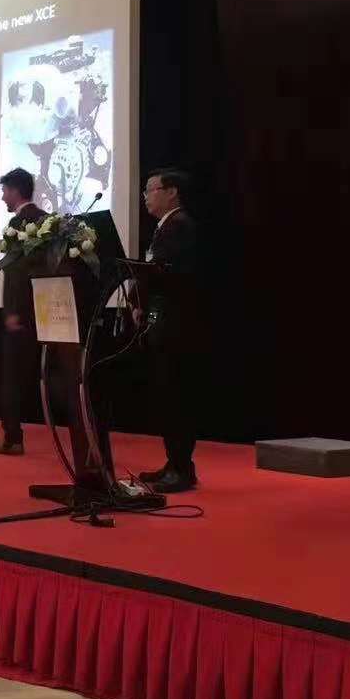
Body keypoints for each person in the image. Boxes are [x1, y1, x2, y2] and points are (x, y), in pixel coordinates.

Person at [135, 168, 202, 493]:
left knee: (176, 395)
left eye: (151, 189)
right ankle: (174, 463)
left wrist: (143, 279)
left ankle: (181, 468)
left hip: (177, 324)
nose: (146, 196)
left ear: (171, 192)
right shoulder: (166, 227)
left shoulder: (181, 226)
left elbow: (172, 275)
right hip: (164, 321)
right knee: (166, 395)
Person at [0, 167, 47, 455]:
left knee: (11, 377)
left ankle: (12, 438)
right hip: (45, 312)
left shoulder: (19, 223)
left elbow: (15, 274)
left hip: (22, 314)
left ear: (15, 191)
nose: (2, 198)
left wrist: (12, 311)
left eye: (4, 191)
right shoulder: (46, 221)